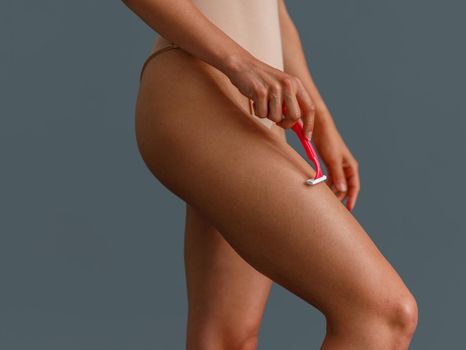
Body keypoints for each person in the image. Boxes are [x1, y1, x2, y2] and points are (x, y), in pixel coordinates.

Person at [121, 0, 418, 348]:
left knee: (228, 338)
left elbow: (272, 8)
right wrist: (240, 62)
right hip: (200, 83)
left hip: (254, 103)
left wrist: (320, 120)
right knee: (382, 313)